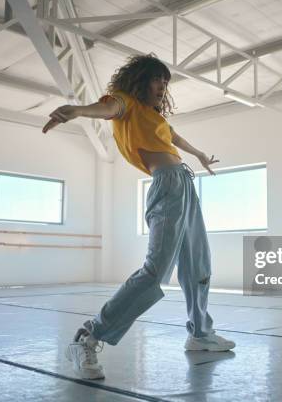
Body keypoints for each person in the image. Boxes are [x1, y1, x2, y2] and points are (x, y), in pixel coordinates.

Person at [43, 53, 235, 380]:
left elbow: (172, 135)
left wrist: (199, 153)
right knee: (155, 271)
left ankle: (200, 334)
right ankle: (87, 337)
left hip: (185, 184)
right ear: (140, 79)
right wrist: (77, 110)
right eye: (157, 79)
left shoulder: (151, 115)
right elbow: (107, 108)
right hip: (167, 186)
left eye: (166, 82)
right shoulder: (126, 103)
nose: (162, 86)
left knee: (198, 265)